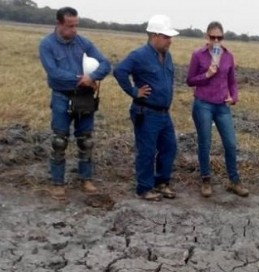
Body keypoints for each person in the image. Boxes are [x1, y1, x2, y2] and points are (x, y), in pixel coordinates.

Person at [39, 6, 111, 201]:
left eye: (76, 26)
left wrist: (93, 76)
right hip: (61, 96)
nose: (74, 30)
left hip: (85, 97)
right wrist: (81, 79)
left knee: (86, 140)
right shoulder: (46, 44)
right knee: (59, 141)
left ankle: (85, 178)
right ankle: (57, 183)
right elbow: (54, 73)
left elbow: (105, 64)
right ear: (59, 24)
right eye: (70, 26)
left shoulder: (83, 43)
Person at [113, 14, 179, 201]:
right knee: (147, 151)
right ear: (154, 35)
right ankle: (144, 188)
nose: (170, 41)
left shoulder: (167, 56)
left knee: (169, 148)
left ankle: (162, 183)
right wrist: (134, 91)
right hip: (146, 112)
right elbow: (119, 71)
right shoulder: (138, 56)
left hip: (164, 113)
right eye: (166, 37)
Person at [186, 21, 248, 198]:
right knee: (205, 142)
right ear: (207, 36)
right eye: (212, 37)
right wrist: (207, 75)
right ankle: (206, 179)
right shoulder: (198, 55)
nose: (215, 40)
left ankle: (234, 181)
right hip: (203, 103)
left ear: (223, 37)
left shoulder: (228, 56)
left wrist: (233, 97)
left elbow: (232, 82)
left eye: (219, 37)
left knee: (230, 143)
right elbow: (190, 80)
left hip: (222, 106)